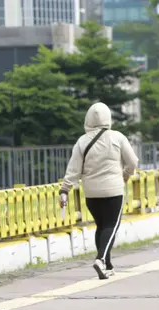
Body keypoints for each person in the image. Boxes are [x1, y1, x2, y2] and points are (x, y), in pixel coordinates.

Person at [59, 102, 138, 279]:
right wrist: (125, 175)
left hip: (91, 193)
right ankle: (101, 259)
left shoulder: (82, 141)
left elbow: (73, 170)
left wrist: (64, 190)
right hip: (113, 190)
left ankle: (107, 265)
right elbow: (133, 162)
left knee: (101, 226)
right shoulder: (117, 137)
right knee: (112, 225)